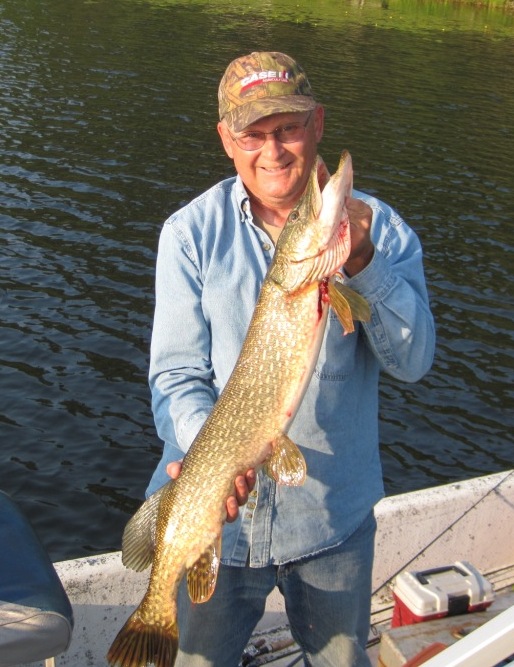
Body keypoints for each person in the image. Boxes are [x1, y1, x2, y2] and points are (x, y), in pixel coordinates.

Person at [146, 51, 435, 667]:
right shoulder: (190, 234)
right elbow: (176, 377)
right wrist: (210, 457)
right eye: (252, 133)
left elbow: (415, 361)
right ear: (227, 140)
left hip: (332, 524)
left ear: (319, 124)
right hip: (219, 522)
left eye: (289, 129)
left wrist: (363, 265)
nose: (272, 151)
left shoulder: (378, 232)